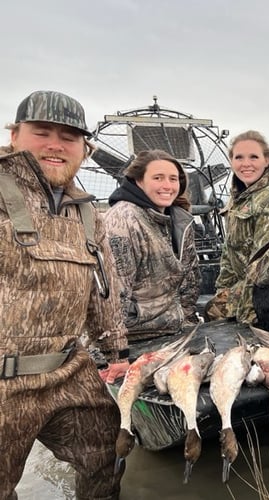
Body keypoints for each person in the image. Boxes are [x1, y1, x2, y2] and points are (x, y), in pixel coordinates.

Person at [0, 90, 130, 499]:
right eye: (43, 132)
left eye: (69, 137)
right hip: (3, 378)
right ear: (15, 134)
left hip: (69, 371)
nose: (56, 145)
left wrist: (117, 354)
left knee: (110, 455)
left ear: (85, 148)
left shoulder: (87, 211)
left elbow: (102, 292)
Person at [104, 149, 201, 340]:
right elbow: (113, 297)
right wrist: (116, 351)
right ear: (138, 181)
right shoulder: (123, 220)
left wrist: (189, 325)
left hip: (175, 331)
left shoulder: (180, 219)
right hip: (136, 337)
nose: (167, 185)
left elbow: (189, 279)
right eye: (158, 178)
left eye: (173, 179)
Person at [205, 130, 269, 323]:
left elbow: (266, 262)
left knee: (214, 312)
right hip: (251, 283)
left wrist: (246, 313)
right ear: (231, 161)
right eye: (239, 157)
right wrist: (223, 291)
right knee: (212, 308)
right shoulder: (242, 196)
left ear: (267, 160)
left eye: (253, 157)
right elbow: (230, 250)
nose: (246, 164)